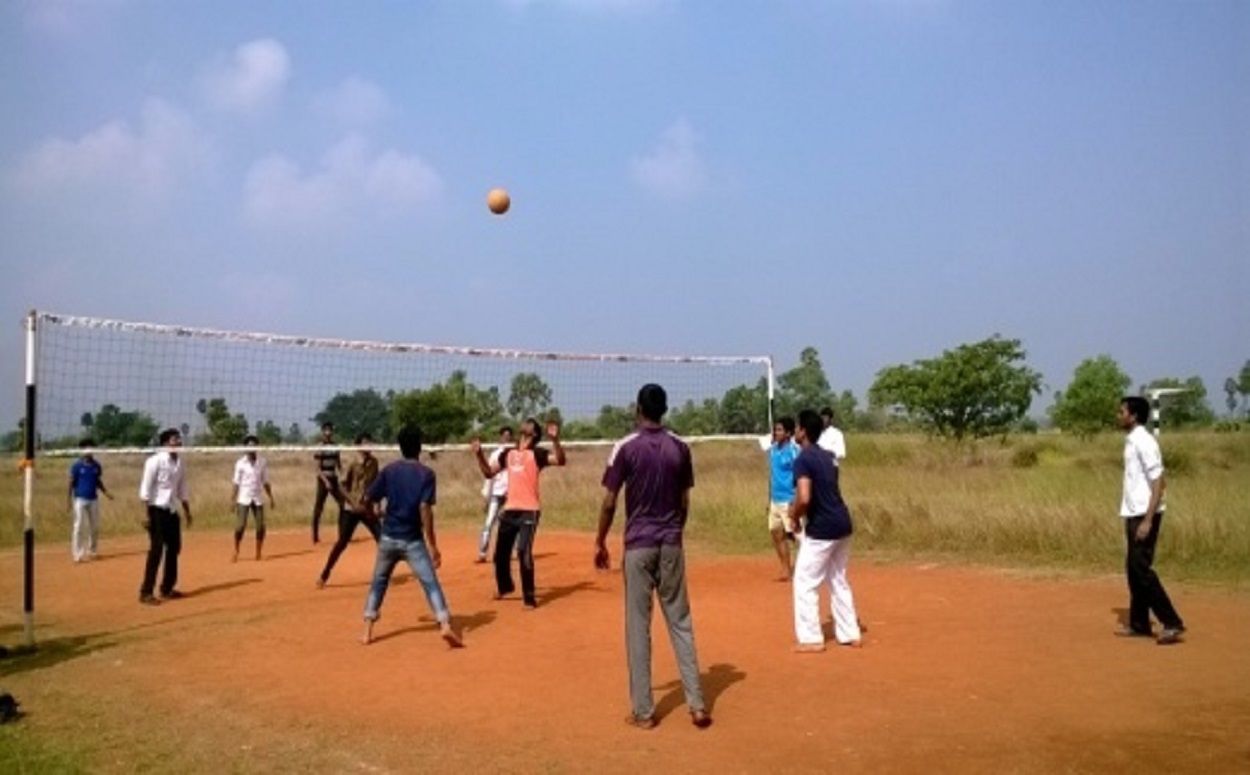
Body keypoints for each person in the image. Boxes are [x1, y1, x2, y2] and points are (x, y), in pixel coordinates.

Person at [594, 384, 712, 730]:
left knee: (637, 627)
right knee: (681, 621)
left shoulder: (626, 448)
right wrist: (675, 532)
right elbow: (685, 501)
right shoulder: (680, 448)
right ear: (664, 410)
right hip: (671, 541)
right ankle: (697, 704)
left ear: (638, 409)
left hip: (639, 545)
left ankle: (644, 711)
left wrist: (599, 541)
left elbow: (609, 501)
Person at [360, 425, 462, 648]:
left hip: (388, 537)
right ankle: (444, 624)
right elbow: (425, 509)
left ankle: (367, 629)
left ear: (400, 446)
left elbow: (368, 497)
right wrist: (433, 545)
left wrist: (374, 514)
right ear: (420, 447)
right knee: (430, 582)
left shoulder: (389, 470)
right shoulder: (426, 474)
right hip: (412, 540)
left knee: (379, 581)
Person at [471, 418, 566, 608]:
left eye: (529, 423)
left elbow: (560, 460)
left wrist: (555, 440)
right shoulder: (508, 453)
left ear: (534, 434)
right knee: (500, 555)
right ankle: (505, 587)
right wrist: (479, 454)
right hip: (510, 509)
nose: (525, 423)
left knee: (523, 551)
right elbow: (489, 473)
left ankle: (529, 597)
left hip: (529, 510)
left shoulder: (537, 454)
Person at [790, 409, 861, 652]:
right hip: (843, 523)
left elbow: (805, 496)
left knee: (805, 581)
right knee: (838, 579)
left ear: (802, 431)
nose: (795, 432)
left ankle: (810, 638)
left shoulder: (804, 459)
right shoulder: (829, 457)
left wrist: (793, 516)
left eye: (797, 428)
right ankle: (850, 632)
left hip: (823, 528)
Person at [1116, 396, 1185, 645]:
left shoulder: (1144, 442)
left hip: (1145, 514)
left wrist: (1147, 520)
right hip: (1133, 511)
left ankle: (1172, 622)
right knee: (1133, 570)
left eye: (1122, 411)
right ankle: (1139, 624)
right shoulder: (1132, 440)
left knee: (1140, 569)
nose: (1118, 415)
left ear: (1133, 416)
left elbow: (1158, 481)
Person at [318, 432, 381, 588]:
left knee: (383, 539)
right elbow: (342, 486)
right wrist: (353, 502)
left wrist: (377, 505)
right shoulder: (352, 463)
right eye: (366, 443)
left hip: (366, 508)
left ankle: (382, 574)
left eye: (371, 443)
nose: (370, 446)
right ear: (358, 445)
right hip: (350, 509)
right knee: (342, 543)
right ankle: (325, 574)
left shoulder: (374, 463)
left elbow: (376, 485)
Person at [139, 428, 193, 605]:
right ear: (164, 443)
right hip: (156, 510)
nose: (178, 442)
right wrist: (146, 515)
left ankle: (167, 588)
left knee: (174, 548)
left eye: (179, 439)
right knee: (156, 550)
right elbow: (145, 490)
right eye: (174, 440)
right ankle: (146, 592)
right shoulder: (154, 461)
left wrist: (187, 511)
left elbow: (182, 489)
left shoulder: (180, 463)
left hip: (171, 510)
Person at [68, 437, 113, 562]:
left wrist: (106, 492)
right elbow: (71, 483)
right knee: (79, 526)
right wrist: (68, 500)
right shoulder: (77, 466)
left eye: (91, 448)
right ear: (82, 450)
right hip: (80, 499)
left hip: (93, 499)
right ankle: (77, 553)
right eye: (86, 448)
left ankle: (92, 550)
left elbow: (97, 480)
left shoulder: (96, 465)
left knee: (95, 526)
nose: (89, 451)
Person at [766, 417, 800, 580]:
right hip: (775, 499)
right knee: (776, 534)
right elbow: (771, 475)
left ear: (788, 433)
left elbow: (800, 476)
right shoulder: (772, 450)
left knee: (798, 536)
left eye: (779, 430)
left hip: (789, 499)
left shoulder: (794, 450)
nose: (776, 433)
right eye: (775, 430)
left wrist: (796, 499)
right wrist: (768, 499)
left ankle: (804, 568)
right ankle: (786, 569)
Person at [232, 435, 275, 562]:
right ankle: (236, 549)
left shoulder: (262, 462)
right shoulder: (240, 463)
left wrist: (271, 497)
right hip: (244, 497)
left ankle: (258, 552)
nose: (252, 448)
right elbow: (236, 483)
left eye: (254, 445)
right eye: (249, 446)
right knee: (240, 526)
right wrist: (232, 500)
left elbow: (266, 481)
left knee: (261, 526)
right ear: (245, 448)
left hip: (257, 497)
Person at [476, 426, 514, 563]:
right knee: (489, 523)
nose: (507, 438)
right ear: (500, 437)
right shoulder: (494, 454)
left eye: (509, 436)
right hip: (496, 493)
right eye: (504, 436)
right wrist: (486, 496)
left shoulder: (514, 454)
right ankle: (482, 552)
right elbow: (489, 476)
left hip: (510, 494)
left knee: (509, 525)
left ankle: (507, 553)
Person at [311, 421, 343, 544]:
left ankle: (342, 533)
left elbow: (339, 464)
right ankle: (315, 535)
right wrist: (325, 482)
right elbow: (317, 468)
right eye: (326, 430)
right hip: (323, 478)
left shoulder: (335, 446)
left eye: (330, 430)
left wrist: (342, 477)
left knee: (342, 504)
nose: (328, 432)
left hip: (333, 477)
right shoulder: (320, 447)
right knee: (319, 507)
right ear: (323, 432)